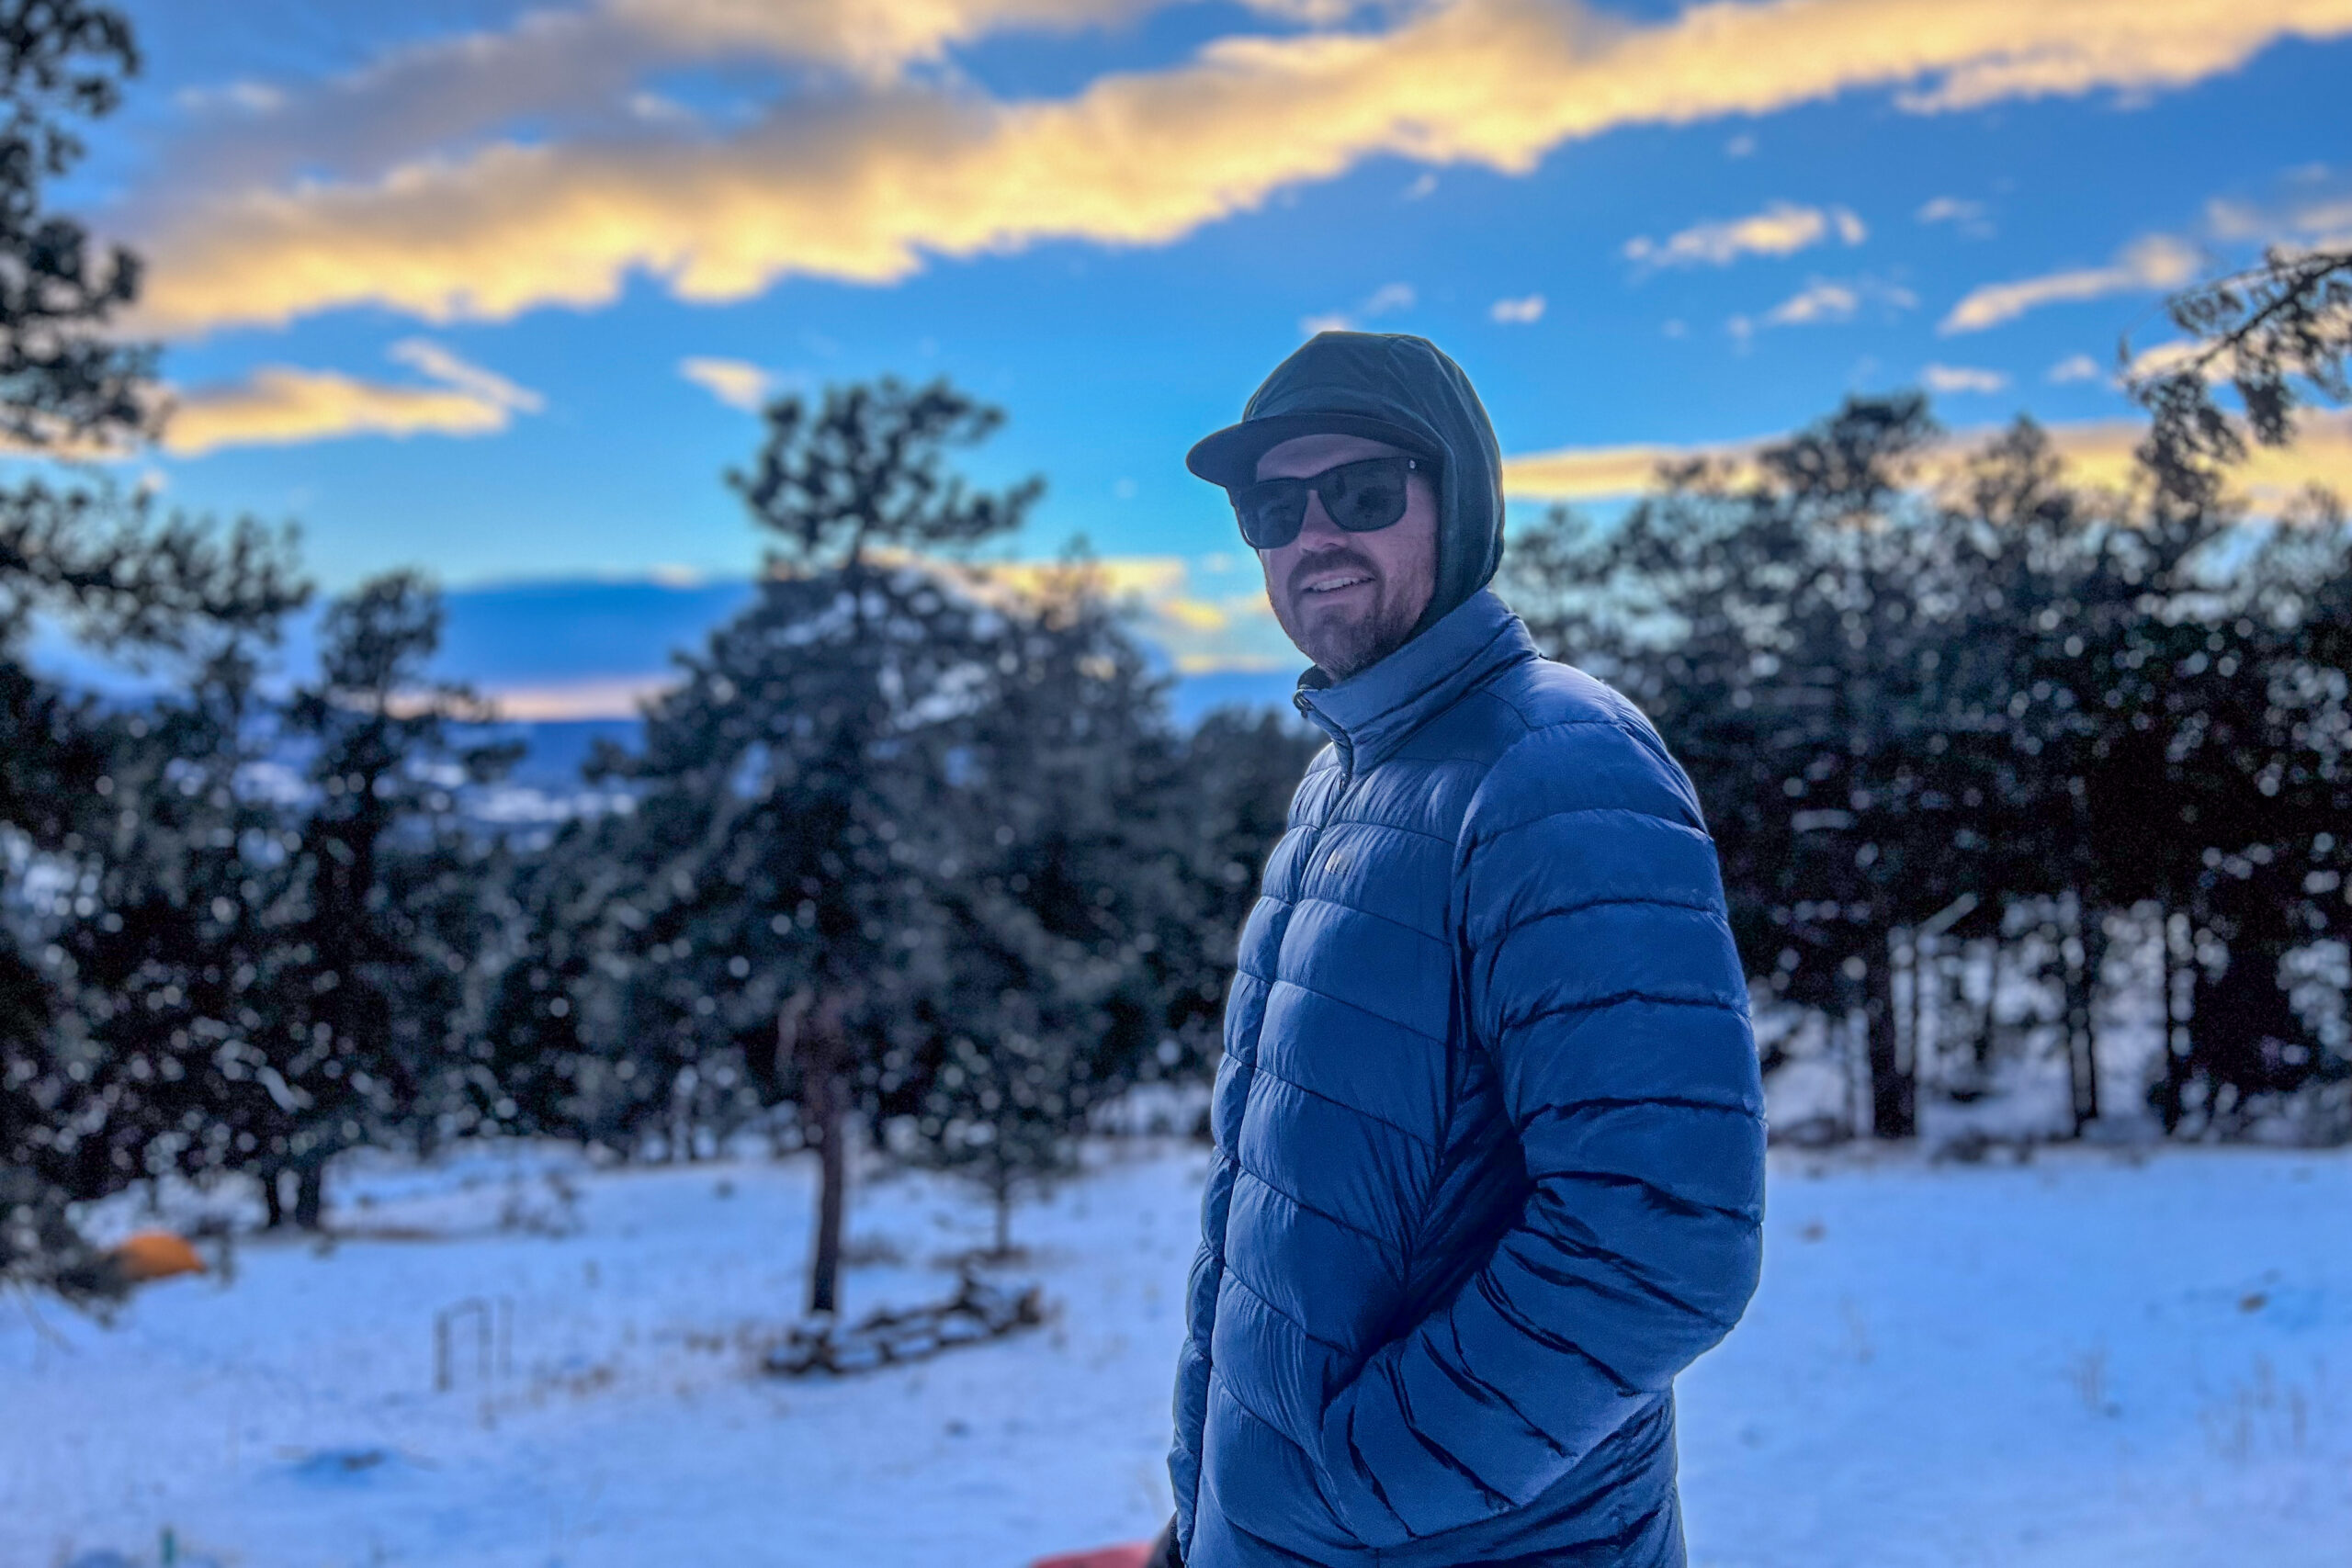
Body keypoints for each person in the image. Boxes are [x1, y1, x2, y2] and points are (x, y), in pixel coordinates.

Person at [1149, 333, 1766, 1568]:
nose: (1312, 533)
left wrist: (1349, 1486)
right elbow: (1287, 1232)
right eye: (1275, 507)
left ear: (1463, 505)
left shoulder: (1556, 765)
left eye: (1363, 494)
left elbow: (1661, 1232)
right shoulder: (1347, 785)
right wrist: (1213, 1514)